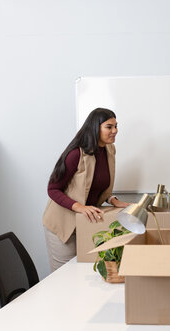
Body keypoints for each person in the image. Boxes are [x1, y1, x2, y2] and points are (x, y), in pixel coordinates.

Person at [42, 108, 130, 272]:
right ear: (95, 128)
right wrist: (80, 207)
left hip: (86, 222)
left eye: (116, 126)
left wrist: (112, 200)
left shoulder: (109, 150)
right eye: (109, 127)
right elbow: (53, 189)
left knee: (85, 272)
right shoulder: (76, 154)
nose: (115, 131)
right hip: (63, 223)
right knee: (65, 277)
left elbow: (94, 186)